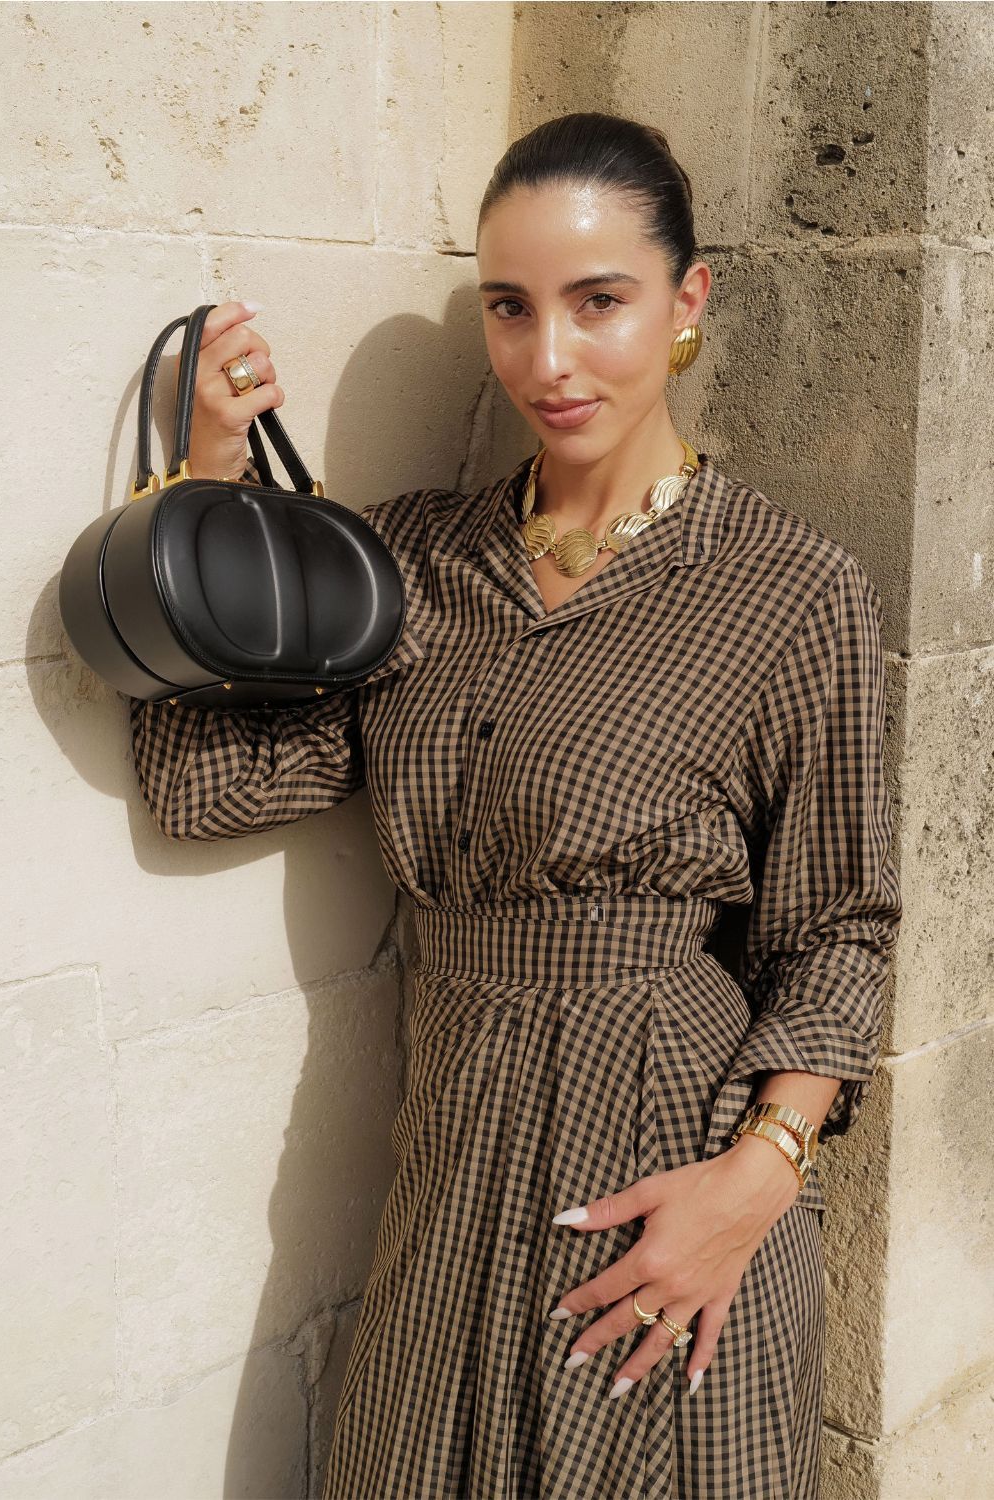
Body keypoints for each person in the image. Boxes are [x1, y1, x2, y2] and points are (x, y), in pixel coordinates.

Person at [128, 112, 902, 1499]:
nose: (547, 359)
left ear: (687, 302)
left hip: (672, 1190)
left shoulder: (793, 591)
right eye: (510, 307)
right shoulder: (415, 562)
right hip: (453, 1174)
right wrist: (211, 480)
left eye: (599, 302)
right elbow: (206, 785)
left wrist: (760, 1178)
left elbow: (840, 929)